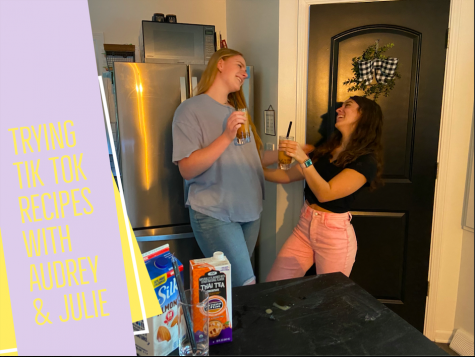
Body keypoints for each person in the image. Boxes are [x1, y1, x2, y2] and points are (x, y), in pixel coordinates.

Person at [172, 48, 266, 287]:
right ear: (220, 64)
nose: (245, 74)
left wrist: (289, 154)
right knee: (245, 284)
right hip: (216, 212)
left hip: (250, 212)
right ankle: (230, 326)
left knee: (233, 289)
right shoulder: (190, 110)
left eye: (246, 69)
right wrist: (226, 136)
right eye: (240, 66)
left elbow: (251, 159)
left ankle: (226, 326)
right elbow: (187, 169)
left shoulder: (235, 112)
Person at [264, 96, 383, 281]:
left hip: (333, 235)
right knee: (274, 285)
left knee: (330, 296)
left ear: (364, 116)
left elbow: (325, 193)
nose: (338, 110)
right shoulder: (327, 148)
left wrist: (303, 158)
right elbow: (286, 176)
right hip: (305, 226)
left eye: (347, 106)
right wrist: (254, 169)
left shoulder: (366, 162)